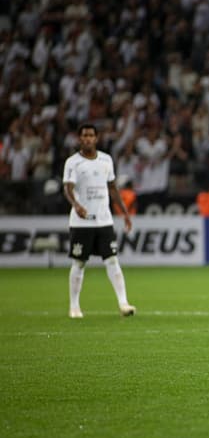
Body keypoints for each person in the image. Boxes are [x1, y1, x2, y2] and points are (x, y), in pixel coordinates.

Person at [62, 123, 136, 319]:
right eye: (84, 135)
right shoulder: (73, 162)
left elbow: (113, 188)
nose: (88, 139)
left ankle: (123, 303)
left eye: (91, 135)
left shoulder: (106, 160)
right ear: (80, 139)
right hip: (81, 221)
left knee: (112, 259)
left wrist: (125, 213)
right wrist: (76, 205)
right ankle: (74, 306)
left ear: (96, 138)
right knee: (79, 262)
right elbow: (68, 189)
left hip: (104, 220)